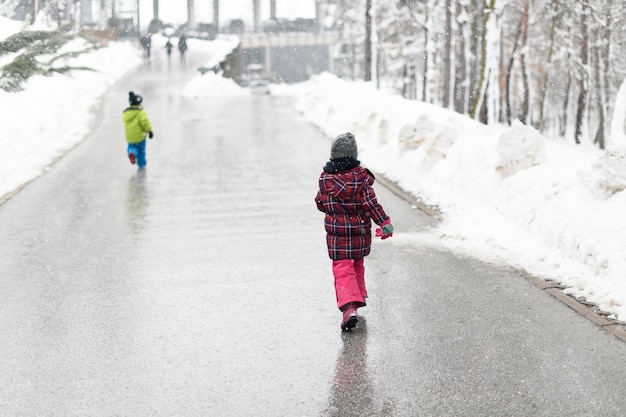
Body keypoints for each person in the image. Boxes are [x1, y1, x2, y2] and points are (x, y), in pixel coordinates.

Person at [315, 132, 393, 331]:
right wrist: (384, 222)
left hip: (337, 238)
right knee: (357, 263)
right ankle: (358, 296)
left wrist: (331, 207)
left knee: (342, 270)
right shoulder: (362, 179)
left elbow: (320, 202)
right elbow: (371, 204)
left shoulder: (326, 180)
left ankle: (349, 306)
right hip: (359, 234)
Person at [123, 91, 154, 169]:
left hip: (130, 136)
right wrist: (149, 131)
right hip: (140, 135)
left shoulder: (126, 113)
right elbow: (145, 123)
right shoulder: (141, 112)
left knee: (131, 146)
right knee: (141, 151)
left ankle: (132, 153)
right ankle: (141, 163)